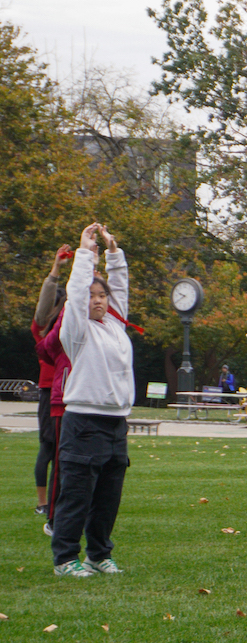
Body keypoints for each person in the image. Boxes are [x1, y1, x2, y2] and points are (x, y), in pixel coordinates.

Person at [51, 223, 134, 578]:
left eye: (102, 295)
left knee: (107, 499)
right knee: (77, 495)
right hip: (83, 423)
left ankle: (98, 555)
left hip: (116, 422)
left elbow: (121, 291)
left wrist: (114, 254)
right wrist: (85, 254)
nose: (98, 300)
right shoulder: (77, 331)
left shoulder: (115, 326)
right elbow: (76, 291)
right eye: (92, 295)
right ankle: (65, 558)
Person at [30, 245, 69, 515]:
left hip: (71, 392)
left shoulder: (69, 324)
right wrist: (55, 270)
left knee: (64, 451)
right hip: (49, 392)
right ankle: (44, 503)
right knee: (49, 449)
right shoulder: (45, 327)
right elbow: (43, 309)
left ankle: (60, 500)